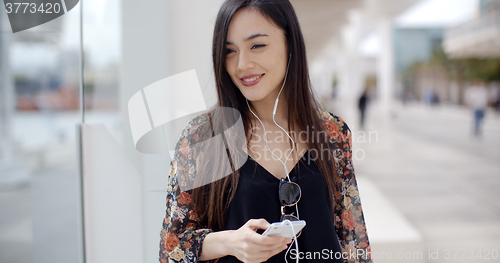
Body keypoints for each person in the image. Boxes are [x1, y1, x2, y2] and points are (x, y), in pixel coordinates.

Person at [159, 0, 372, 262]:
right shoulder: (202, 137)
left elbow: (353, 241)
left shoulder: (332, 133)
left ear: (290, 43)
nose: (242, 65)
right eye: (229, 51)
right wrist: (229, 242)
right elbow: (171, 248)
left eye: (257, 45)